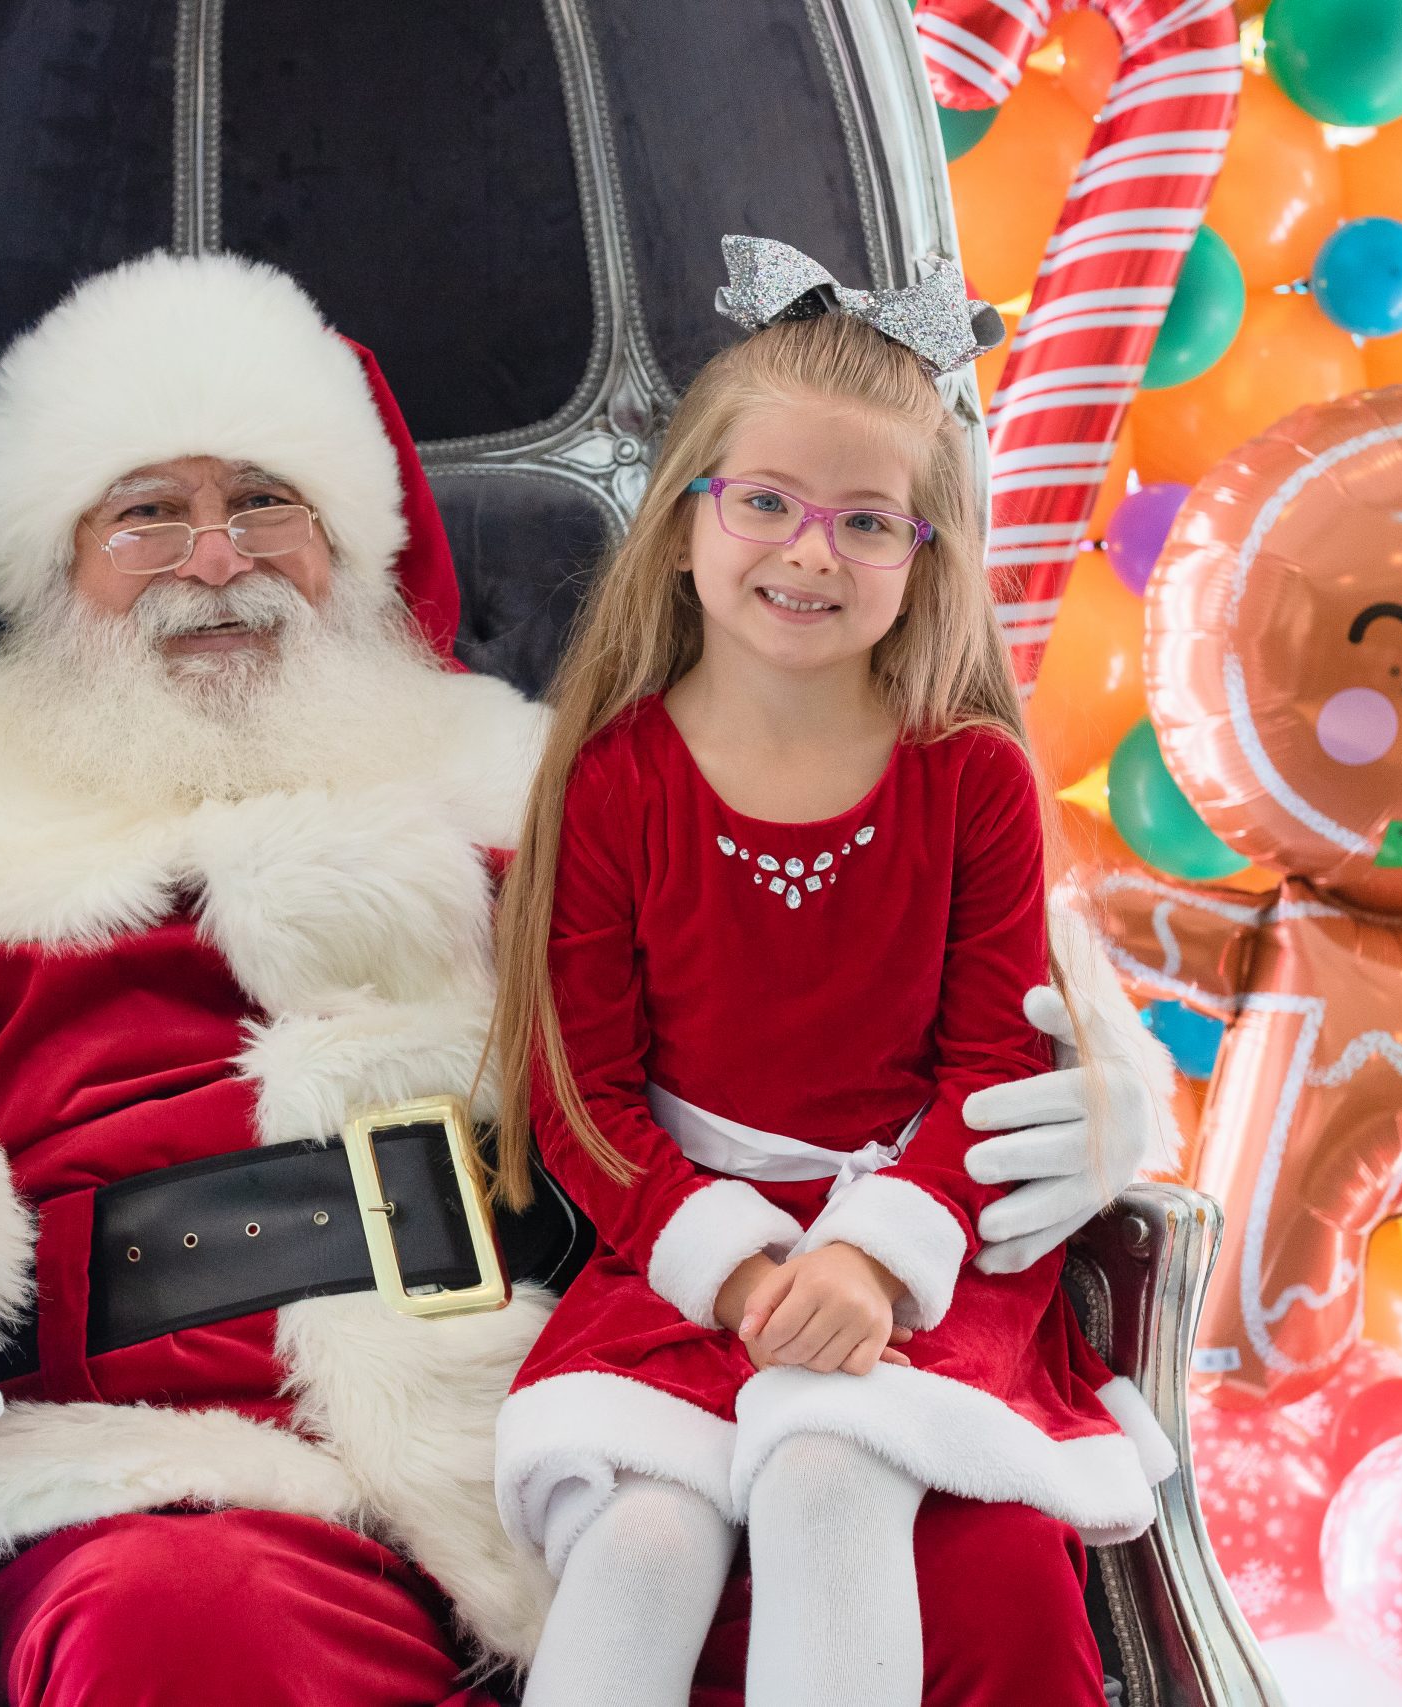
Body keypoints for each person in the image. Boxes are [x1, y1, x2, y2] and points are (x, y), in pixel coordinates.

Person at [0, 247, 1171, 1707]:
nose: (213, 556)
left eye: (265, 500)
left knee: (970, 1578)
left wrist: (1077, 1076)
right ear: (53, 560)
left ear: (353, 547)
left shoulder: (541, 781)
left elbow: (860, 952)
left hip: (616, 1389)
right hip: (190, 1462)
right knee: (182, 1633)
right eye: (145, 511)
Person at [487, 240, 1179, 1707]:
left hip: (925, 1239)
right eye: (768, 505)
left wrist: (873, 1257)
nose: (810, 553)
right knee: (643, 1539)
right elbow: (584, 1101)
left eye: (869, 523)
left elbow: (995, 1065)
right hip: (691, 1251)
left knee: (827, 1469)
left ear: (926, 557)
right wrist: (739, 1272)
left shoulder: (972, 781)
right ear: (685, 522)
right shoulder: (616, 778)